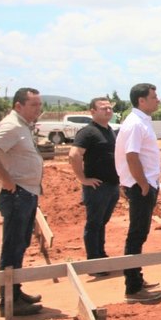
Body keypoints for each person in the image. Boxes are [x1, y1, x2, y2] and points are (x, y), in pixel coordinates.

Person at [0, 88, 44, 316]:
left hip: (25, 193)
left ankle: (15, 293)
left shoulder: (22, 125)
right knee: (12, 248)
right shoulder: (12, 126)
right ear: (18, 106)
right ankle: (8, 302)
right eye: (34, 105)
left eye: (39, 104)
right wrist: (7, 180)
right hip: (17, 195)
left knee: (19, 246)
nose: (39, 109)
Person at [115, 83, 161, 303]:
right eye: (154, 97)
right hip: (140, 187)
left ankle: (136, 279)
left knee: (139, 235)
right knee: (136, 235)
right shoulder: (135, 124)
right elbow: (131, 156)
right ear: (141, 101)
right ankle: (132, 288)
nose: (158, 100)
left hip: (143, 185)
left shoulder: (141, 121)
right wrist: (143, 184)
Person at [68, 97, 120, 275]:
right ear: (92, 111)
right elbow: (74, 155)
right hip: (97, 187)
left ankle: (100, 255)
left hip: (111, 185)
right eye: (103, 108)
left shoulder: (109, 131)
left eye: (109, 108)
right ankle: (93, 263)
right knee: (94, 224)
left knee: (102, 223)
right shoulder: (88, 132)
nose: (108, 111)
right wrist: (83, 179)